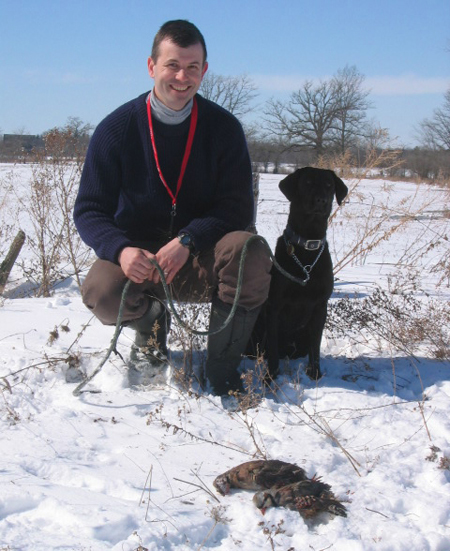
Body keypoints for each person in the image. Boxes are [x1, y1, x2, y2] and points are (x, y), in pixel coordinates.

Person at [74, 19, 272, 395]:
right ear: (151, 66)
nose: (182, 77)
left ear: (204, 70)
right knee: (101, 291)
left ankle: (221, 368)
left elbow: (237, 207)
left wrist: (189, 240)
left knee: (250, 251)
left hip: (198, 258)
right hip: (141, 260)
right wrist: (121, 249)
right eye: (172, 65)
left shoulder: (224, 128)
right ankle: (150, 327)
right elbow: (89, 209)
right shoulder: (115, 129)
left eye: (192, 67)